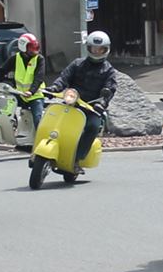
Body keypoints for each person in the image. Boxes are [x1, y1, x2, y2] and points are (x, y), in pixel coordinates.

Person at [45, 30, 118, 170]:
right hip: (72, 102)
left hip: (92, 108)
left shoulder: (108, 70)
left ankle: (77, 158)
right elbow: (64, 77)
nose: (96, 52)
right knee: (53, 116)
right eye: (94, 49)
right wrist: (54, 88)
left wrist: (102, 102)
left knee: (93, 126)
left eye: (100, 49)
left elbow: (110, 88)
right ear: (88, 48)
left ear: (106, 50)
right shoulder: (78, 64)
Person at [0, 31, 48, 128]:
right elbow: (2, 70)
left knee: (38, 118)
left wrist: (31, 91)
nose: (34, 50)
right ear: (23, 47)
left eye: (35, 46)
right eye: (31, 47)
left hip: (35, 95)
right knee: (5, 110)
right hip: (19, 94)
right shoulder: (15, 58)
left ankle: (39, 135)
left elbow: (39, 77)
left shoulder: (39, 59)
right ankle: (8, 130)